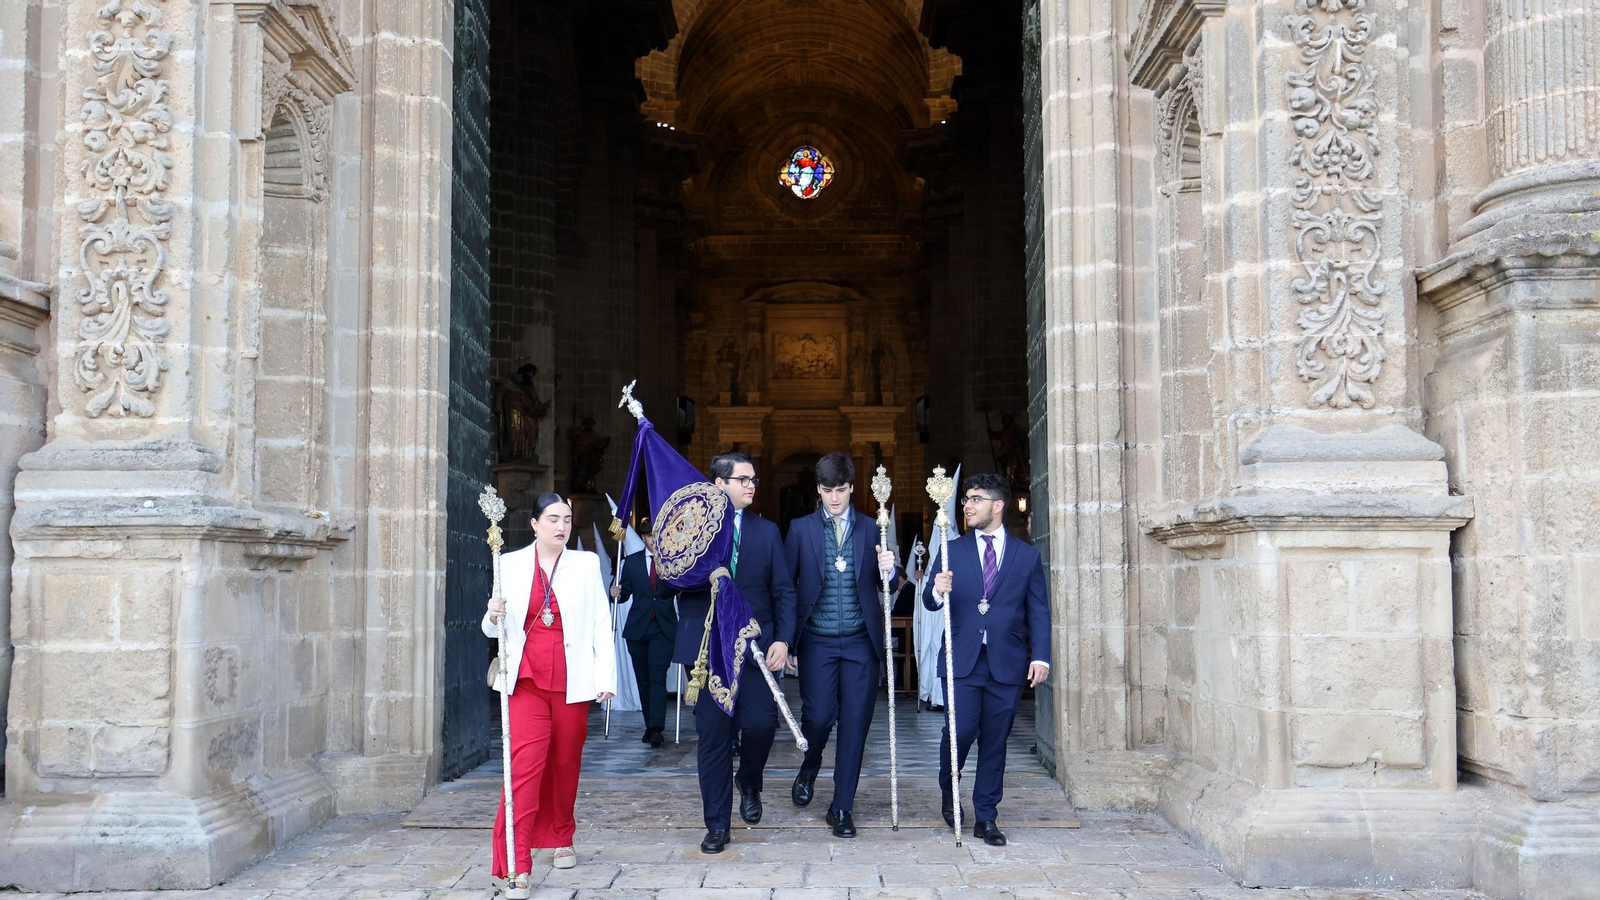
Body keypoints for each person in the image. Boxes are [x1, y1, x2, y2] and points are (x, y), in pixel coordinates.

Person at [484, 492, 617, 891]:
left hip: (572, 681)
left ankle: (561, 834)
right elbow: (490, 628)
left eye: (567, 518)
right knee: (524, 769)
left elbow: (599, 621)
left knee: (564, 764)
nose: (562, 526)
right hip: (525, 681)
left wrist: (605, 677)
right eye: (554, 518)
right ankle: (517, 863)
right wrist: (493, 614)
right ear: (535, 524)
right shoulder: (507, 563)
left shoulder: (586, 563)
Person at [670, 451, 796, 854]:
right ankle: (717, 825)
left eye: (754, 480)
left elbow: (783, 590)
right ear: (718, 483)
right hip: (707, 649)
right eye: (743, 479)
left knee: (761, 725)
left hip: (757, 646)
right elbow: (666, 584)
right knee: (713, 737)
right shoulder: (694, 530)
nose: (751, 486)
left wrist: (783, 639)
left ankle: (750, 781)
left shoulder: (767, 531)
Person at [923, 473, 1050, 847]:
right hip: (961, 659)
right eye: (965, 500)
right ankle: (950, 790)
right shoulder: (952, 550)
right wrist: (935, 588)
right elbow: (930, 602)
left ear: (997, 505)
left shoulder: (1027, 556)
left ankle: (986, 816)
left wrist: (1040, 656)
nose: (967, 505)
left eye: (975, 499)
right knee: (959, 734)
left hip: (1006, 662)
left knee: (995, 741)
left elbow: (1038, 611)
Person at [784, 453, 899, 837]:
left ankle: (842, 807)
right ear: (818, 490)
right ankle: (811, 763)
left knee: (854, 726)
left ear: (853, 488)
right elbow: (786, 589)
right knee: (817, 717)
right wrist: (786, 641)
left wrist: (891, 570)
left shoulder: (872, 530)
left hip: (860, 642)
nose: (835, 498)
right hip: (816, 640)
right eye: (828, 491)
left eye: (842, 490)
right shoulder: (800, 530)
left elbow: (892, 584)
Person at [611, 517, 676, 747]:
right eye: (649, 536)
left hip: (664, 627)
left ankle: (657, 727)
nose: (653, 540)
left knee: (657, 676)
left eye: (657, 536)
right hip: (638, 629)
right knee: (643, 680)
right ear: (643, 537)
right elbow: (625, 593)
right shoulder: (631, 562)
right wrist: (615, 592)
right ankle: (650, 725)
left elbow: (681, 590)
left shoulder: (673, 561)